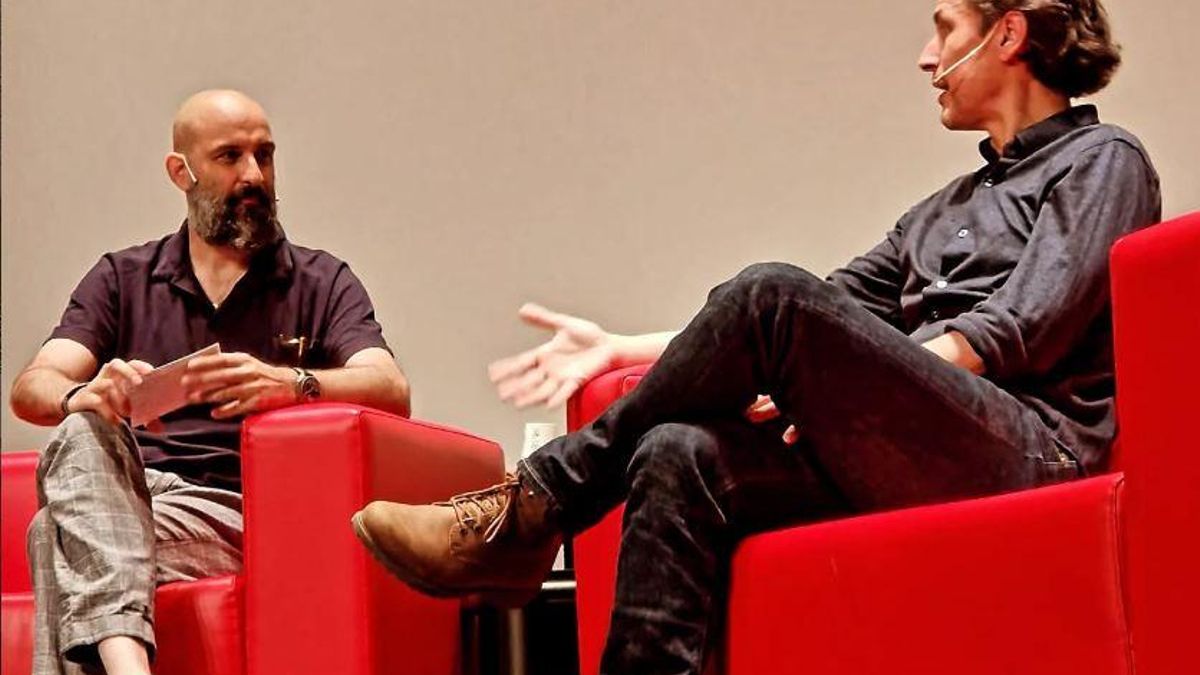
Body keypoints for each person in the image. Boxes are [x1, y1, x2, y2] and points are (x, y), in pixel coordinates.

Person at [351, 1, 1160, 673]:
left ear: (1008, 34)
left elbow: (1021, 327)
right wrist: (623, 347)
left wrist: (857, 386)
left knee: (772, 288)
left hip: (1031, 451)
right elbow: (826, 309)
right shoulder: (941, 208)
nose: (927, 56)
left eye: (944, 28)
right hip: (925, 449)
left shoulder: (1103, 159)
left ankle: (535, 504)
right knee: (675, 449)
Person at [10, 89, 410, 675]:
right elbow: (33, 386)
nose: (254, 176)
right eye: (229, 157)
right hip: (134, 492)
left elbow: (390, 387)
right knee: (80, 429)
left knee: (54, 532)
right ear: (182, 172)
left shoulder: (321, 281)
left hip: (237, 509)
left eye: (264, 155)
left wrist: (292, 383)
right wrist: (85, 394)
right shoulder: (123, 277)